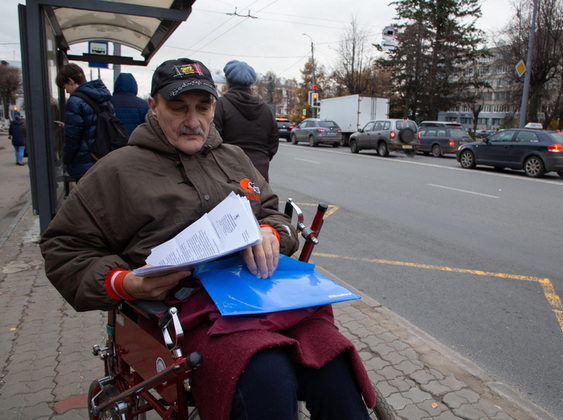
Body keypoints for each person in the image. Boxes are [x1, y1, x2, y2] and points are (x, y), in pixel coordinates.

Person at [40, 58, 374, 420]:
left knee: (333, 362)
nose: (193, 120)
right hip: (187, 312)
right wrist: (125, 282)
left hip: (262, 296)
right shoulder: (116, 171)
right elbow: (63, 249)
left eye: (203, 107)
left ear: (215, 107)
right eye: (178, 108)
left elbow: (272, 213)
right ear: (153, 106)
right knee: (268, 374)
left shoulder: (234, 158)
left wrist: (270, 232)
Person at [214, 60, 279, 182]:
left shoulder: (220, 105)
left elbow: (213, 140)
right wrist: (261, 159)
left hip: (228, 173)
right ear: (251, 83)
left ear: (228, 82)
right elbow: (273, 142)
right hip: (259, 174)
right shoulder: (265, 109)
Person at [55, 63, 113, 180]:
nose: (67, 92)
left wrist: (66, 160)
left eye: (65, 87)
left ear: (71, 81)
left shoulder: (75, 101)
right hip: (104, 157)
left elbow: (72, 138)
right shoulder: (103, 97)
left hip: (84, 161)